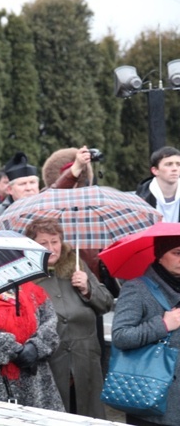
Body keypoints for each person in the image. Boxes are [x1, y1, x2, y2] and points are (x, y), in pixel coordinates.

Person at [25, 218, 113, 418]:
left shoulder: (76, 264)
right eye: (43, 243)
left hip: (85, 358)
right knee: (56, 416)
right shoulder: (26, 275)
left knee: (89, 415)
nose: (51, 248)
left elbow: (106, 303)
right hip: (51, 362)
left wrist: (88, 288)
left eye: (55, 241)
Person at [112, 236, 180, 426]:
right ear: (159, 256)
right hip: (150, 394)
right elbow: (120, 336)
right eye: (177, 253)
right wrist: (163, 325)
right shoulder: (137, 288)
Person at [0, 281, 64, 411]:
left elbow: (50, 322)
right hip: (0, 383)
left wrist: (36, 346)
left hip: (38, 381)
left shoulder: (31, 290)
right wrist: (15, 350)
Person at [0, 152, 39, 230]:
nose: (29, 188)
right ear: (10, 189)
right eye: (22, 184)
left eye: (32, 182)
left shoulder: (49, 211)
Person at [136, 146, 180, 223]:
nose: (175, 168)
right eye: (169, 164)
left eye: (178, 164)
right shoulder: (141, 199)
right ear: (155, 170)